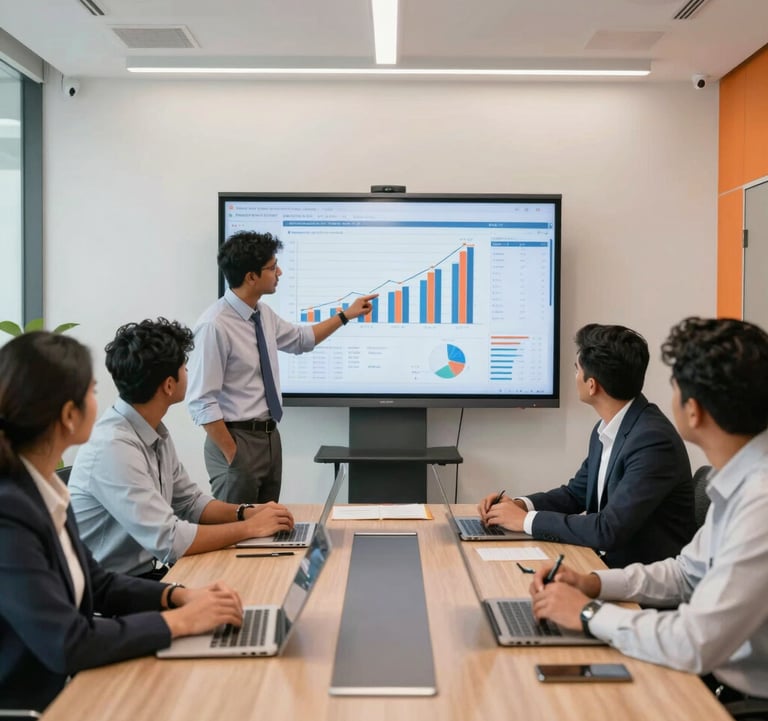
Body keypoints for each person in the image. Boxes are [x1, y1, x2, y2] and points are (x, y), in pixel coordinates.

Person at [0, 332, 244, 712]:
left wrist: (177, 596)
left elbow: (98, 582)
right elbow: (69, 642)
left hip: (69, 681)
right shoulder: (9, 514)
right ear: (68, 415)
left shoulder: (39, 489)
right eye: (93, 391)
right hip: (45, 703)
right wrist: (180, 622)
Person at [530, 316, 768, 703]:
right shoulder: (740, 482)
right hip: (711, 672)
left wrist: (589, 614)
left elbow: (695, 641)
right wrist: (594, 583)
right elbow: (685, 574)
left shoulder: (760, 501)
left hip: (733, 697)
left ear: (693, 411)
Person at [69, 318, 296, 578]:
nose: (189, 373)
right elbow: (169, 541)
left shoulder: (153, 431)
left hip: (144, 575)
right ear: (168, 385)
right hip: (108, 590)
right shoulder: (113, 447)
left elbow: (190, 503)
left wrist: (245, 512)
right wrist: (250, 528)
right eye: (185, 368)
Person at [478, 323, 695, 568]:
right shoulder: (608, 428)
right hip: (602, 564)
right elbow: (575, 494)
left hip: (639, 581)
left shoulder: (652, 441)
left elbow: (609, 529)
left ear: (592, 385)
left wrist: (526, 521)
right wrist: (520, 505)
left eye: (577, 369)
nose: (575, 376)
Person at [187, 230, 377, 503]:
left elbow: (302, 340)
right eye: (272, 267)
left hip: (268, 437)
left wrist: (345, 315)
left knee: (266, 526)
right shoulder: (214, 325)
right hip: (237, 438)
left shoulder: (262, 314)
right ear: (251, 277)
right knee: (236, 533)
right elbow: (201, 402)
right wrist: (233, 453)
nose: (280, 272)